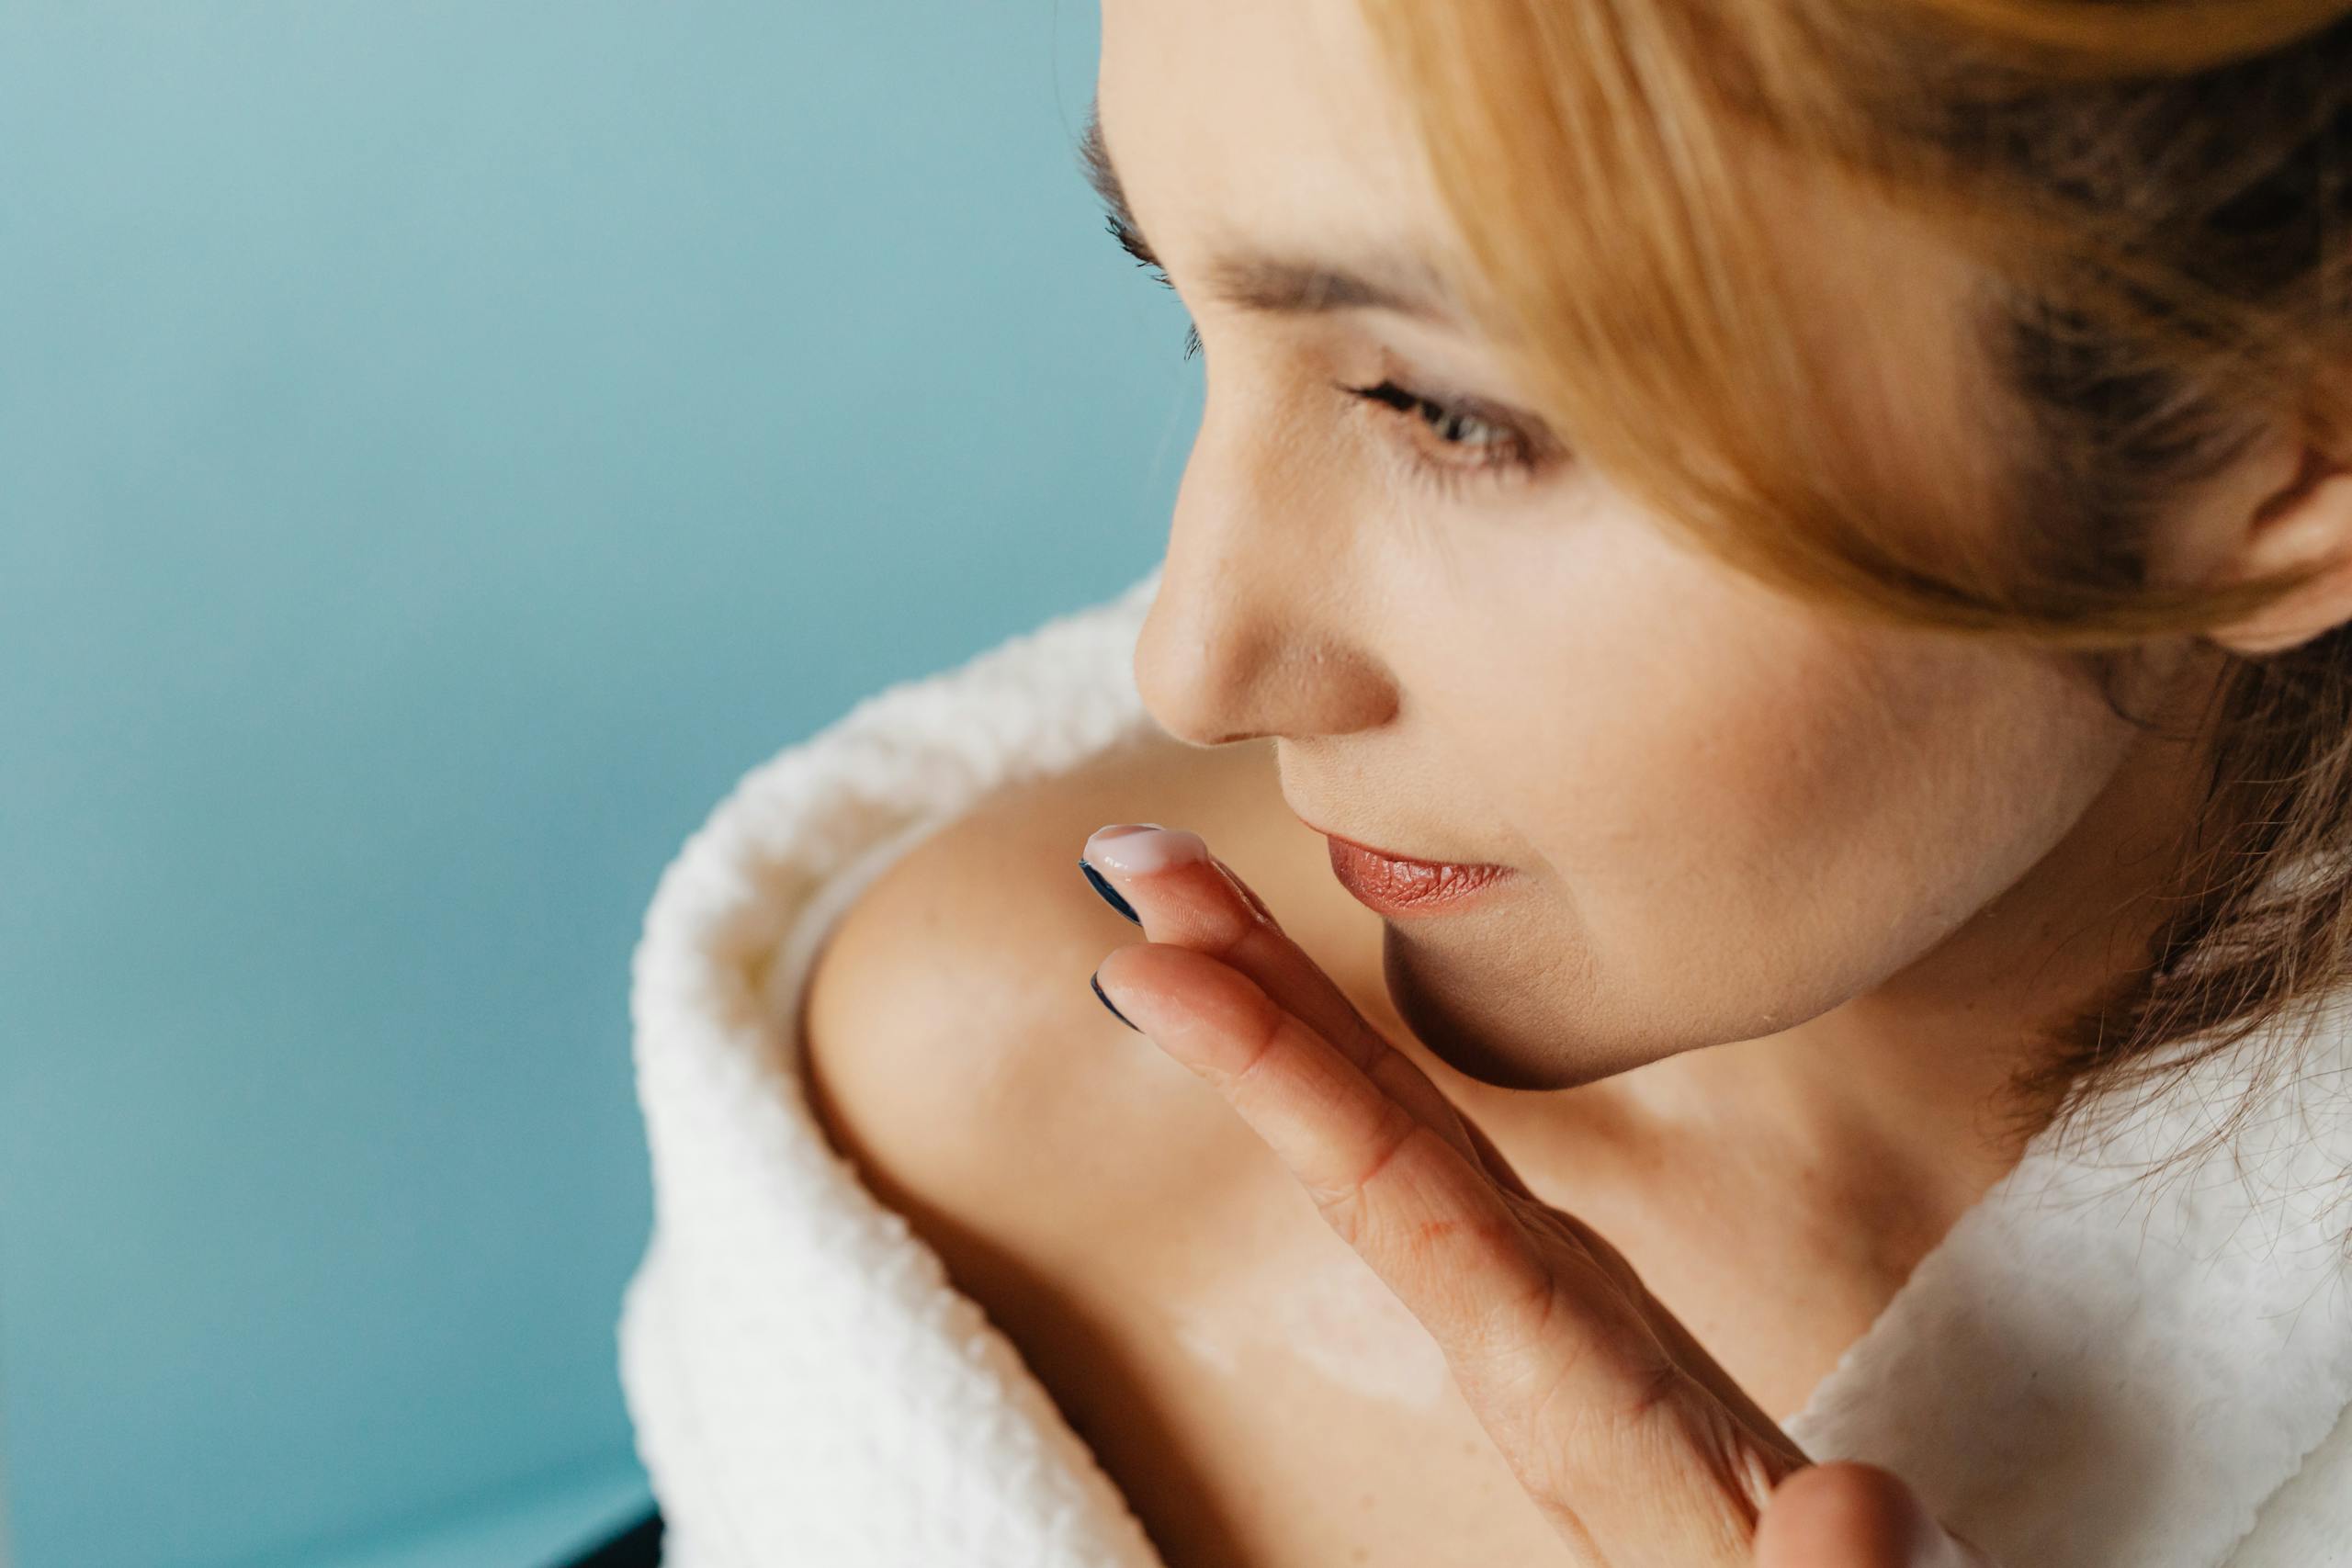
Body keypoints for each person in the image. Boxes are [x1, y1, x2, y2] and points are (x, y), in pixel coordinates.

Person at [619, 2, 2352, 1564]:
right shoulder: (984, 1100)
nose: (1196, 666)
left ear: (2295, 444)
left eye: (1444, 411)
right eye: (1183, 304)